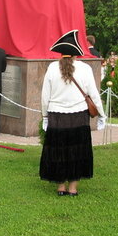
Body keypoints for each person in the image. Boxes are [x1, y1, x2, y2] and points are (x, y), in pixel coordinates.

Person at [39, 30, 106, 196]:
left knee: (58, 152)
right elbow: (94, 94)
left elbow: (44, 96)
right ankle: (73, 188)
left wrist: (44, 116)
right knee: (78, 152)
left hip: (57, 116)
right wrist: (102, 115)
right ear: (77, 52)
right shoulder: (85, 69)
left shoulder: (52, 68)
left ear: (61, 51)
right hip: (78, 116)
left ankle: (61, 187)